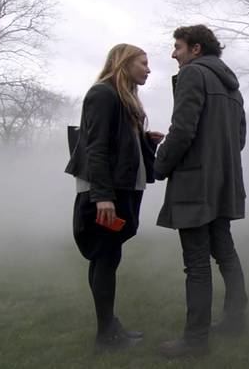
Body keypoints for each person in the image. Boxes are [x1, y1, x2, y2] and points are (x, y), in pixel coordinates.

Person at [154, 25, 247, 358]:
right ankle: (236, 321)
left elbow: (182, 131)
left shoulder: (193, 74)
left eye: (177, 46)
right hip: (223, 184)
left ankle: (195, 341)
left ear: (195, 49)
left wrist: (159, 165)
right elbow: (239, 140)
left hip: (195, 185)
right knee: (226, 254)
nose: (173, 53)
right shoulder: (232, 87)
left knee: (197, 264)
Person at [64, 44, 163, 352]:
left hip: (121, 189)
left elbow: (117, 143)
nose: (148, 69)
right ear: (124, 62)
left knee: (107, 257)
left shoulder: (124, 99)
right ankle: (106, 334)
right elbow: (95, 146)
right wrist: (102, 197)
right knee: (105, 258)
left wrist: (146, 141)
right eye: (143, 63)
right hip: (106, 193)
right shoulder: (103, 93)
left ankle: (109, 327)